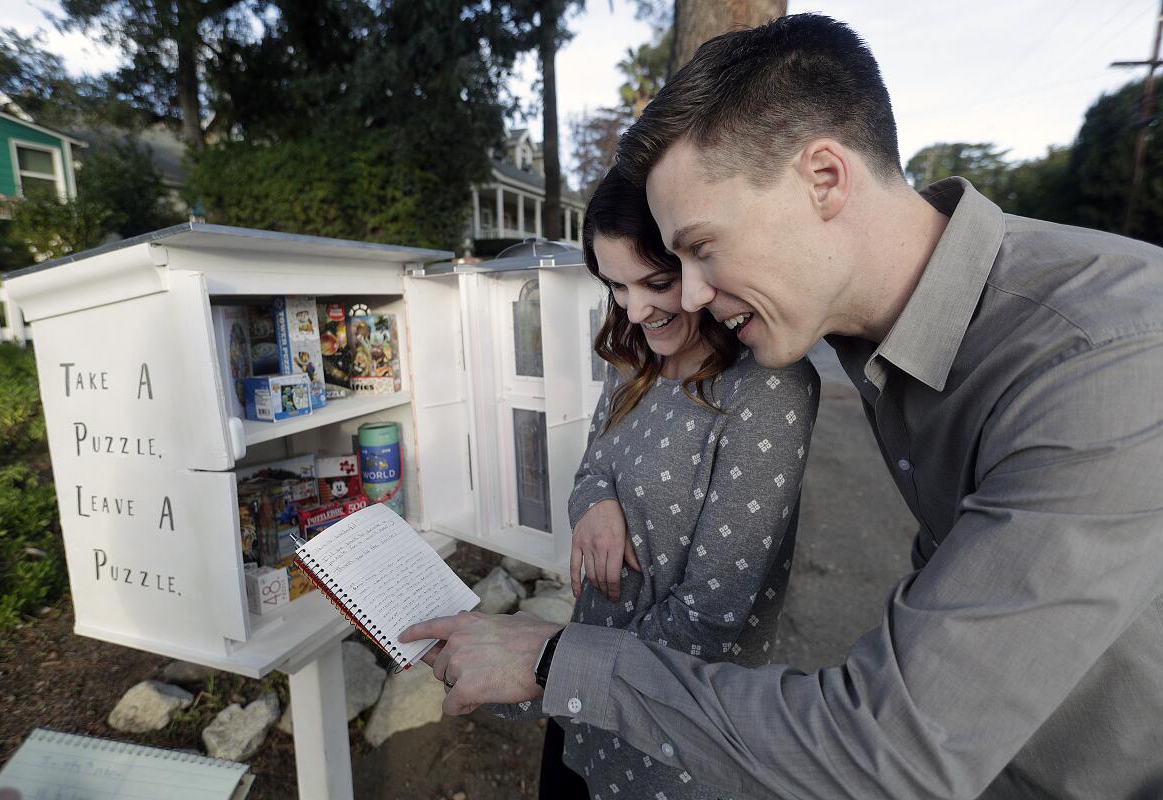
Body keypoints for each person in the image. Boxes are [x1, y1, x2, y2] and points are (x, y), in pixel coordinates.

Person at [404, 14, 1163, 799]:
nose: (688, 295)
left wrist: (554, 659)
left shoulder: (1105, 357)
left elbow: (890, 749)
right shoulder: (874, 336)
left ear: (825, 178)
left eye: (701, 249)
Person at [493, 169, 818, 800]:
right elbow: (591, 468)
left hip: (670, 738)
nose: (635, 309)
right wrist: (597, 503)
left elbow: (714, 616)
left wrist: (551, 665)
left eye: (657, 283)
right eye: (615, 285)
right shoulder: (635, 359)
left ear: (704, 268)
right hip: (579, 697)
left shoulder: (768, 386)